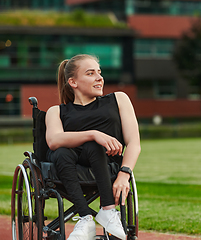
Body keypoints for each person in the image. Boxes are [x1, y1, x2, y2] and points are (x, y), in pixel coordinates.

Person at [45, 54, 141, 240]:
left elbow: (134, 143)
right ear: (73, 82)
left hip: (108, 166)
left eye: (99, 72)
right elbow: (54, 141)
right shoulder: (56, 111)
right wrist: (94, 134)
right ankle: (85, 217)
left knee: (94, 146)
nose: (99, 78)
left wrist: (125, 173)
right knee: (64, 150)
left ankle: (108, 209)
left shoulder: (119, 99)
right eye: (91, 73)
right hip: (68, 166)